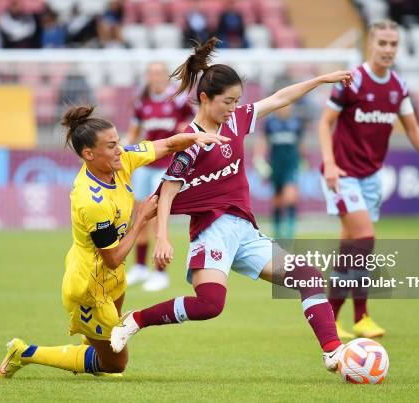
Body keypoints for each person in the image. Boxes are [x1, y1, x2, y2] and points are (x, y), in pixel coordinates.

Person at [111, 37, 354, 374]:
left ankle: (333, 353)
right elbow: (166, 192)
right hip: (212, 233)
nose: (233, 108)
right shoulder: (191, 141)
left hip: (245, 230)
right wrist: (164, 237)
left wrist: (318, 81)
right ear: (205, 98)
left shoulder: (237, 121)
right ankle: (135, 320)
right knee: (210, 305)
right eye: (228, 101)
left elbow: (279, 98)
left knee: (309, 277)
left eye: (237, 101)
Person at [0, 105, 227, 379]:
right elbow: (113, 257)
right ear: (89, 154)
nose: (120, 149)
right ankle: (25, 352)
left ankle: (92, 349)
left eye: (118, 142)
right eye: (111, 146)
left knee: (103, 343)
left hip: (112, 277)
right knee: (116, 365)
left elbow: (165, 145)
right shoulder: (90, 200)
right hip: (90, 287)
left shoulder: (122, 161)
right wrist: (141, 219)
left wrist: (194, 138)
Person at [317, 20, 419, 340]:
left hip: (371, 177)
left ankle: (328, 318)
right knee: (365, 239)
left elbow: (412, 127)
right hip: (343, 175)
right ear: (370, 45)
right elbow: (324, 123)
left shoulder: (398, 86)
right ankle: (362, 316)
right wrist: (330, 164)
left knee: (349, 248)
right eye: (382, 43)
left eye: (393, 44)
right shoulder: (352, 81)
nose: (388, 49)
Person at [126, 62, 195, 291]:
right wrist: (123, 150)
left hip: (167, 165)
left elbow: (192, 124)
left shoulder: (177, 101)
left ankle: (160, 273)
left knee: (157, 216)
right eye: (152, 73)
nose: (156, 77)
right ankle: (140, 267)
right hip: (146, 164)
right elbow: (134, 132)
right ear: (148, 77)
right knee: (139, 214)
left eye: (159, 73)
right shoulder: (142, 104)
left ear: (166, 77)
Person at [254, 103, 305, 239]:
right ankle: (277, 230)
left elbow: (300, 144)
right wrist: (258, 159)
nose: (285, 108)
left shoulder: (296, 122)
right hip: (276, 166)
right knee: (277, 199)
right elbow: (263, 141)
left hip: (291, 165)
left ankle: (289, 231)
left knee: (290, 197)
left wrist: (303, 160)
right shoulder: (270, 123)